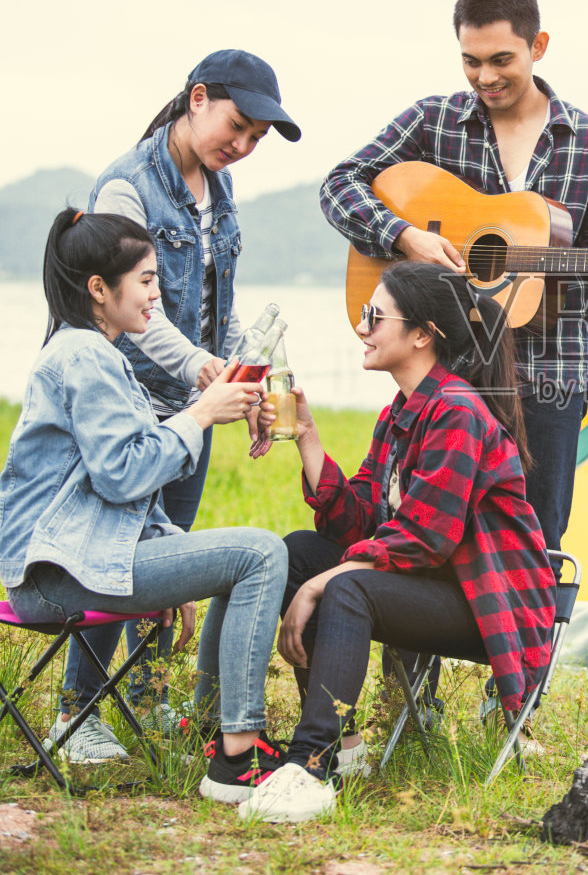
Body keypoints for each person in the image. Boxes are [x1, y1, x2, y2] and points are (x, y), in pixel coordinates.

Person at [320, 0, 588, 558]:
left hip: (549, 376)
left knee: (535, 542)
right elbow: (340, 184)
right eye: (470, 62)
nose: (485, 77)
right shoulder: (433, 121)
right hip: (444, 367)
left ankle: (520, 649)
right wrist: (404, 237)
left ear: (539, 46)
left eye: (501, 59)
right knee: (411, 527)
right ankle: (409, 643)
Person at [237, 260, 556, 824]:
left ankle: (308, 762)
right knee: (295, 553)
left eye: (375, 316)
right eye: (365, 315)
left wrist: (325, 583)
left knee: (345, 586)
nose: (362, 327)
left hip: (484, 603)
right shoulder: (402, 412)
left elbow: (425, 538)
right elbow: (357, 522)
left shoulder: (457, 410)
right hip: (429, 585)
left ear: (421, 334)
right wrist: (307, 436)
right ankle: (346, 751)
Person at [55, 49, 301, 762]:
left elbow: (217, 313)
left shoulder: (219, 195)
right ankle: (76, 715)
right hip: (125, 408)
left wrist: (240, 382)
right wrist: (202, 373)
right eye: (239, 124)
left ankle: (147, 700)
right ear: (198, 98)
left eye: (257, 137)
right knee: (112, 559)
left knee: (169, 560)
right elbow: (142, 311)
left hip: (192, 411)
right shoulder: (127, 187)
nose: (245, 145)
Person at [0, 209, 288, 804]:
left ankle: (216, 732)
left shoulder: (101, 354)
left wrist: (166, 558)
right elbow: (122, 472)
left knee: (243, 557)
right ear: (99, 290)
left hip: (79, 564)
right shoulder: (84, 355)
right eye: (148, 280)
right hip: (59, 576)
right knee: (260, 553)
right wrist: (201, 412)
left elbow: (117, 490)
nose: (160, 293)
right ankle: (238, 755)